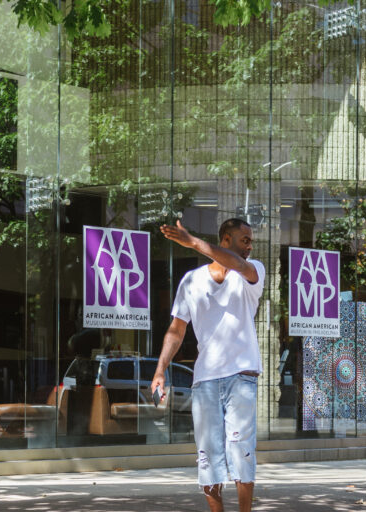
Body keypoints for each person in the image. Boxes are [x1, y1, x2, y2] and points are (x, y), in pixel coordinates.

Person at [151, 218, 264, 512]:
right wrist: (160, 369)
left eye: (251, 241)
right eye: (244, 240)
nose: (250, 247)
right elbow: (177, 330)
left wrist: (192, 242)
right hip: (205, 379)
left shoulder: (252, 271)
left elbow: (238, 264)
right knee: (208, 454)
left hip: (242, 376)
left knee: (241, 449)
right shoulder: (191, 281)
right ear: (226, 239)